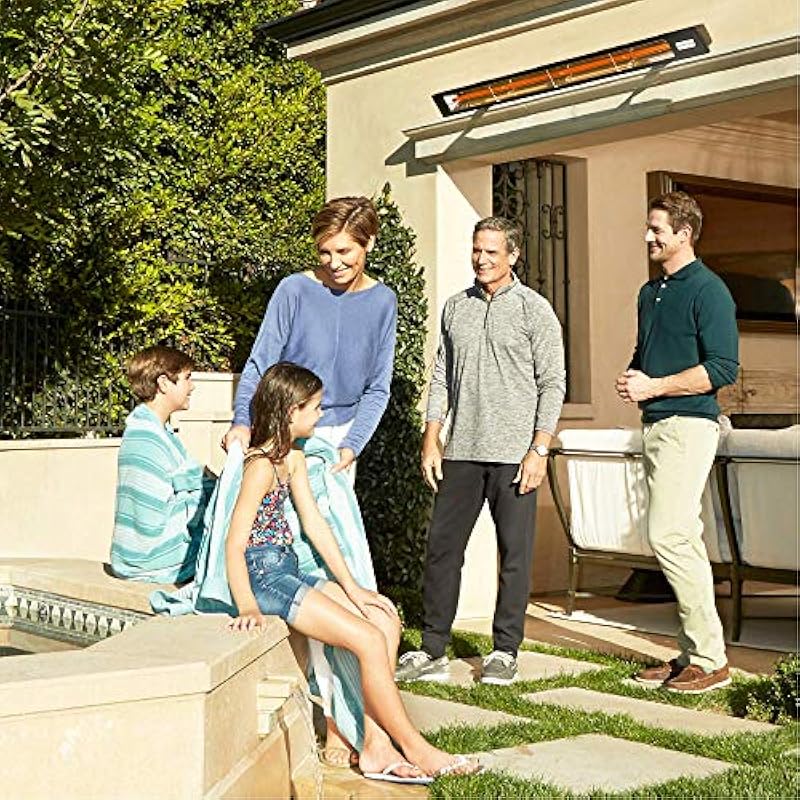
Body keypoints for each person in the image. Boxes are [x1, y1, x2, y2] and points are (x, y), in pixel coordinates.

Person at [225, 362, 480, 784]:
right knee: (367, 639)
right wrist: (248, 606)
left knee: (382, 618)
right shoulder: (260, 466)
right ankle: (416, 748)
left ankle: (376, 744)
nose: (321, 414)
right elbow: (235, 544)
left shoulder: (294, 458)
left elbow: (315, 525)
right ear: (290, 411)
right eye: (314, 407)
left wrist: (354, 589)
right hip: (266, 580)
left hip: (288, 569)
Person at [223, 196, 397, 768]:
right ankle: (334, 725)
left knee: (344, 577)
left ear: (368, 244)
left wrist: (352, 445)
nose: (334, 263)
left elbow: (378, 386)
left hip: (338, 446)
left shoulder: (383, 302)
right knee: (306, 579)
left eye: (345, 252)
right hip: (290, 433)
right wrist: (242, 422)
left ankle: (353, 729)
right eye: (324, 252)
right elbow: (260, 363)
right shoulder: (294, 291)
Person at [396, 217, 566, 686]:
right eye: (477, 250)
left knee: (514, 556)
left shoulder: (535, 310)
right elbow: (441, 376)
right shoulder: (456, 307)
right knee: (442, 550)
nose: (482, 259)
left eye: (492, 251)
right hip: (462, 451)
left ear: (513, 256)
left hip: (516, 455)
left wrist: (539, 448)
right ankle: (433, 648)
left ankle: (505, 650)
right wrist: (432, 436)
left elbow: (553, 383)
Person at [616, 191, 739, 693]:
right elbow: (648, 351)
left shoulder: (710, 291)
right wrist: (635, 375)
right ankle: (693, 652)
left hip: (690, 425)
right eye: (648, 227)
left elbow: (723, 368)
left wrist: (655, 386)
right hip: (656, 425)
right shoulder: (651, 292)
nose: (648, 236)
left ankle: (710, 660)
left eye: (657, 229)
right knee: (680, 536)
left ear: (684, 234)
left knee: (668, 534)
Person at [110, 346, 215, 583]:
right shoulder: (146, 438)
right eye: (187, 378)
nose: (192, 386)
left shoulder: (158, 431)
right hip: (149, 558)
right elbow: (151, 522)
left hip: (145, 555)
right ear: (164, 383)